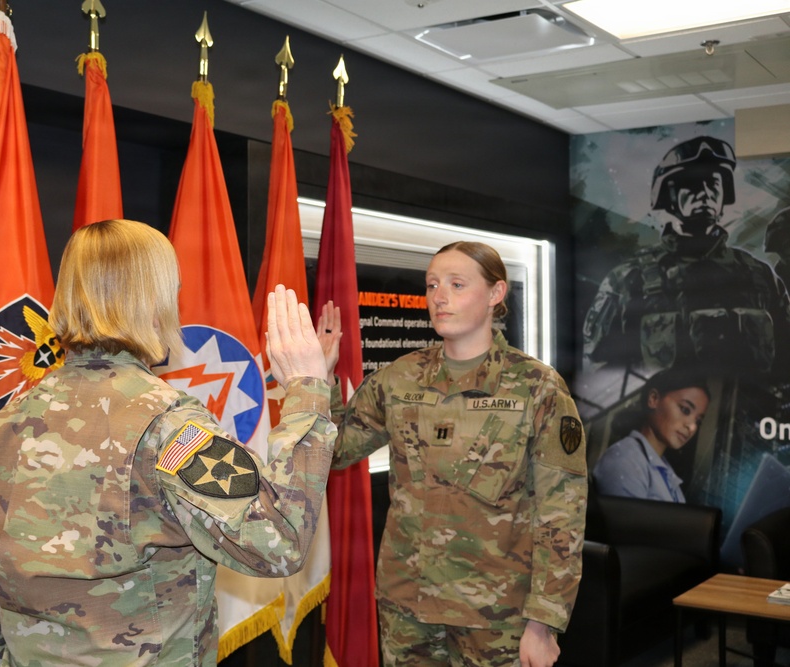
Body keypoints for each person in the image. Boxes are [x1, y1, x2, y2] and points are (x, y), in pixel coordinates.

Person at [0, 219, 336, 666]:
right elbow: (278, 542)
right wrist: (306, 390)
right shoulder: (167, 425)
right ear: (152, 302)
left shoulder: (10, 418)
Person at [319, 241, 587, 667]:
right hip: (408, 604)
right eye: (432, 285)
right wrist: (321, 378)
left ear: (496, 294)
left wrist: (544, 620)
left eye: (457, 284)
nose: (439, 297)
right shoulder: (399, 378)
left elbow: (562, 515)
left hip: (495, 615)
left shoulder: (537, 387)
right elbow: (334, 452)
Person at [583, 136, 790, 375]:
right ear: (667, 196)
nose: (704, 193)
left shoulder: (759, 275)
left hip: (751, 409)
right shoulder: (630, 279)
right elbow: (599, 368)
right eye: (692, 185)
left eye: (713, 185)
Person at [592, 368, 710, 502]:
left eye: (698, 421)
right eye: (685, 410)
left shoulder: (666, 473)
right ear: (653, 399)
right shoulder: (625, 459)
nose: (692, 427)